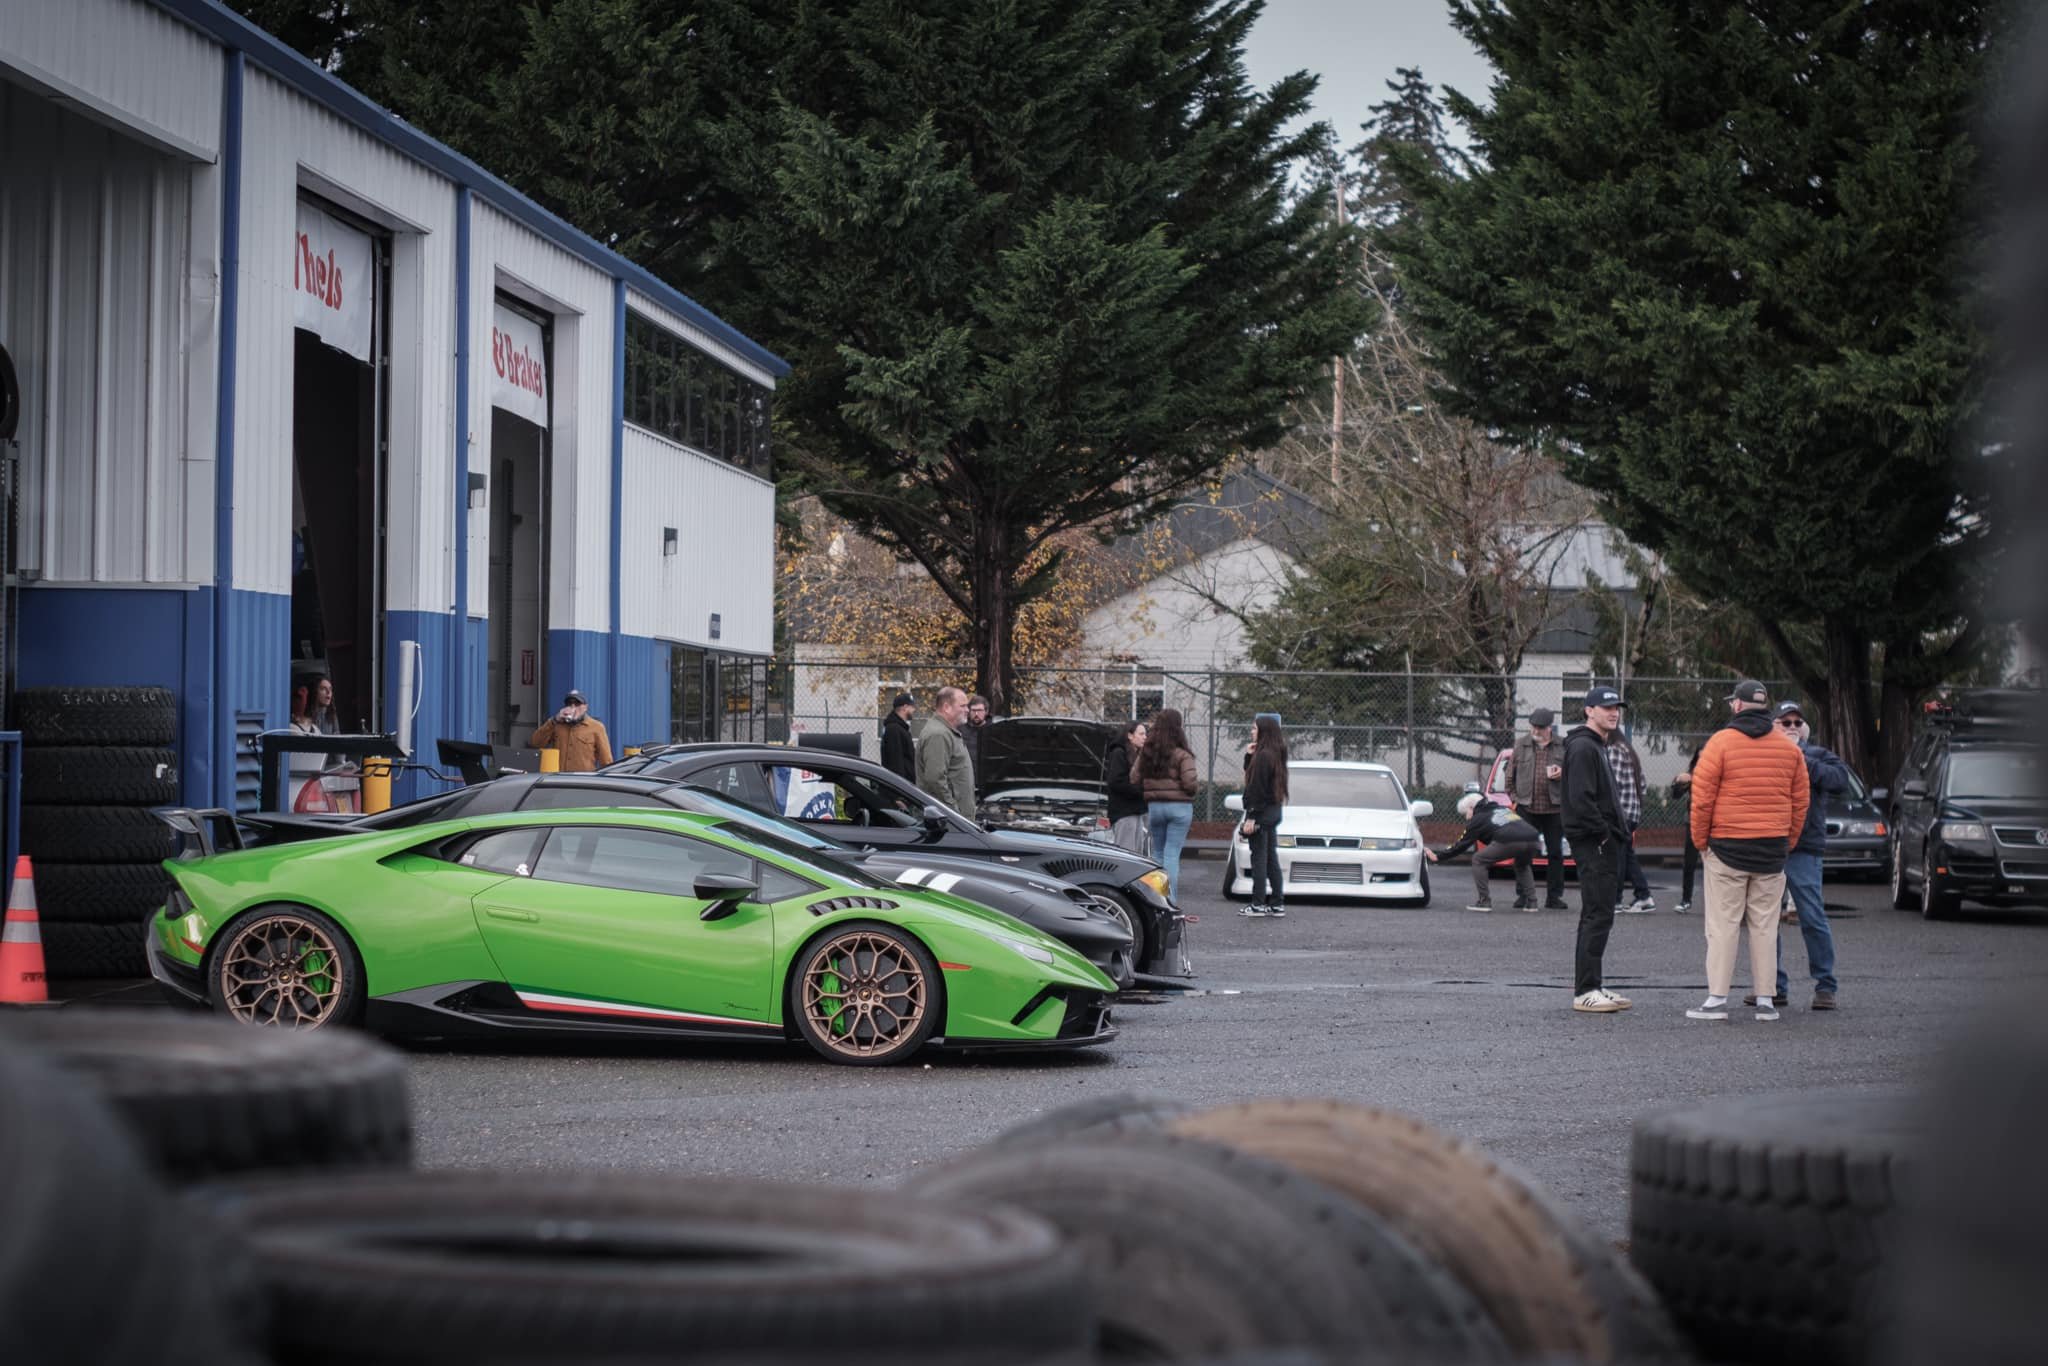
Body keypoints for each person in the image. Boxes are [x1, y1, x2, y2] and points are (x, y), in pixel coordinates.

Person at [1683, 680, 1809, 1022]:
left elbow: (1702, 799)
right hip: (1772, 850)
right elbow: (1800, 802)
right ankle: (1766, 1000)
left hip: (1727, 848)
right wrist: (1788, 842)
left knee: (1722, 925)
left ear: (1736, 706)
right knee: (1766, 926)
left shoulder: (1720, 743)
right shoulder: (1789, 749)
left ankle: (1716, 999)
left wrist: (1700, 842)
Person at [1769, 701, 1849, 1010]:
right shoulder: (1763, 754)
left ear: (1804, 728)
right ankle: (1773, 986)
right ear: (1772, 725)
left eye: (1796, 722)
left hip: (1805, 848)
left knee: (1812, 916)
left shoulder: (1817, 755)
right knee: (1766, 921)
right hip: (1770, 846)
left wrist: (1799, 756)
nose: (1790, 727)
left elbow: (1841, 781)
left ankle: (1825, 985)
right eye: (1784, 722)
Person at [1561, 687, 1633, 1013]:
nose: (1613, 712)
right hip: (1594, 844)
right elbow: (1581, 800)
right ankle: (1585, 990)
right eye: (1606, 707)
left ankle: (1594, 983)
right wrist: (1604, 835)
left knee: (1601, 913)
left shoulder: (1597, 746)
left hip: (1603, 842)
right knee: (1596, 914)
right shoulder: (1582, 748)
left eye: (1616, 707)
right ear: (1589, 710)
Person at [1427, 790, 1541, 912]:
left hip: (1510, 840)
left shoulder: (1478, 819)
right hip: (1534, 838)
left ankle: (1484, 901)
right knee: (1522, 865)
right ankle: (1532, 902)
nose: (1466, 817)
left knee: (1478, 859)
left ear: (1472, 807)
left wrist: (1438, 857)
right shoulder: (1501, 809)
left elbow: (1461, 845)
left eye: (1466, 813)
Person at [1506, 708, 1570, 909]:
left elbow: (1575, 772)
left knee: (1555, 854)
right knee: (1523, 853)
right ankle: (1523, 894)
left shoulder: (1563, 745)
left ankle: (1554, 897)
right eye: (1533, 726)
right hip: (1526, 808)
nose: (1536, 731)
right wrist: (1515, 799)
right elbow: (1510, 777)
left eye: (1540, 728)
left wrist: (1563, 774)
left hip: (1554, 809)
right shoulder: (1521, 744)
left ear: (1549, 727)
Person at [1136, 708, 1199, 904]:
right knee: (1172, 854)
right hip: (1179, 808)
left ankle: (1155, 901)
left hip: (1155, 808)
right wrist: (1192, 790)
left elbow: (1133, 777)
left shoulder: (1147, 752)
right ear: (1178, 727)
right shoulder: (1182, 754)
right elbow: (1190, 783)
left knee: (1157, 853)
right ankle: (1170, 901)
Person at [1239, 715, 1290, 918]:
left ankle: (1257, 904)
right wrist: (1249, 756)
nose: (1251, 732)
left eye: (1254, 728)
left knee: (1258, 858)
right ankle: (1277, 903)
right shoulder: (1276, 754)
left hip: (1260, 813)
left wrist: (1251, 817)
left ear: (1263, 731)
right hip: (1273, 812)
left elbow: (1256, 787)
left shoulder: (1264, 756)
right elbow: (1256, 777)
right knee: (1270, 859)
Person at [1607, 726, 1657, 913]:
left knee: (1617, 858)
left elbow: (1611, 784)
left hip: (1619, 814)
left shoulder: (1614, 751)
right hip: (1632, 812)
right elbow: (1642, 785)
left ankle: (1616, 900)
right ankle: (1643, 896)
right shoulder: (1629, 751)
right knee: (1627, 856)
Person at [915, 685, 977, 816]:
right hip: (949, 825)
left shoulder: (946, 732)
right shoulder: (939, 734)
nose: (967, 710)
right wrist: (954, 814)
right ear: (946, 707)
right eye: (963, 706)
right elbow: (935, 780)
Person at [530, 688, 613, 772]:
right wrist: (554, 720)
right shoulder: (557, 724)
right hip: (559, 779)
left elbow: (606, 761)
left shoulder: (596, 727)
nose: (573, 707)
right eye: (569, 704)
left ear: (585, 707)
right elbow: (536, 742)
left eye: (577, 704)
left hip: (583, 781)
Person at [1104, 719, 1150, 856]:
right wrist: (1141, 791)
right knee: (1126, 854)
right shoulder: (1119, 753)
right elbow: (1116, 782)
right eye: (1141, 734)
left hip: (1135, 811)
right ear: (1130, 736)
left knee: (1136, 853)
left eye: (1145, 734)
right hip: (1123, 812)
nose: (1145, 737)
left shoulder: (1137, 755)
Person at [1671, 746, 1704, 912]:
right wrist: (1679, 782)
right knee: (1689, 863)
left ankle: (1717, 904)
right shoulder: (1691, 775)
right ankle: (1686, 899)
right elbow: (1676, 795)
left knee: (1715, 867)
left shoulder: (1720, 772)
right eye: (1700, 758)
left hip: (1715, 825)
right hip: (1693, 822)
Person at [880, 692, 917, 782]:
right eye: (912, 707)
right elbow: (895, 763)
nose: (914, 710)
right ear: (905, 707)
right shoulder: (894, 730)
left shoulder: (900, 728)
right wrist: (901, 790)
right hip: (902, 787)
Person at [962, 694, 990, 785]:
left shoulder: (993, 730)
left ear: (986, 712)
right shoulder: (960, 731)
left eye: (980, 710)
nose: (976, 714)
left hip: (987, 782)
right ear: (969, 712)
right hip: (966, 782)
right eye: (973, 711)